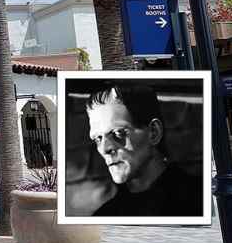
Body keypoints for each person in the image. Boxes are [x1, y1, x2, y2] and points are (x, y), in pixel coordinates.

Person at [85, 82, 202, 217]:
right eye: (98, 139)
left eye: (118, 133)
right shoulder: (104, 216)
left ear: (153, 132)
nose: (105, 148)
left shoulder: (200, 199)